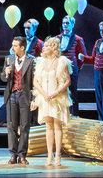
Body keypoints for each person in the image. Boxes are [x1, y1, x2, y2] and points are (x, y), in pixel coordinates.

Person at [32, 36, 72, 167]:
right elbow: (35, 81)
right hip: (45, 98)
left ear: (53, 47)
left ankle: (58, 155)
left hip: (57, 98)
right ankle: (50, 155)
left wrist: (55, 93)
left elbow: (67, 81)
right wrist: (44, 94)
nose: (44, 47)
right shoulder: (40, 62)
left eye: (47, 45)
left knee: (57, 126)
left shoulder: (61, 61)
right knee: (48, 126)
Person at [1, 36, 35, 165]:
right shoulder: (9, 59)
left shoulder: (31, 60)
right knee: (11, 126)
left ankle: (22, 155)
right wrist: (6, 73)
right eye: (13, 45)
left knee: (25, 126)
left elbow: (34, 81)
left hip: (25, 96)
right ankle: (13, 154)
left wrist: (34, 99)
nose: (13, 47)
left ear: (22, 47)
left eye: (15, 46)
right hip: (12, 95)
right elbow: (3, 78)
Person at [57, 15, 86, 116]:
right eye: (63, 23)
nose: (65, 25)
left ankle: (74, 115)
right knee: (60, 92)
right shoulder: (57, 38)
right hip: (59, 70)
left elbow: (82, 57)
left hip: (72, 70)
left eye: (67, 23)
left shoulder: (78, 39)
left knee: (72, 93)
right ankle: (61, 115)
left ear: (72, 25)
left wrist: (75, 68)